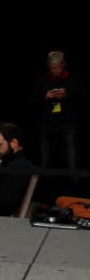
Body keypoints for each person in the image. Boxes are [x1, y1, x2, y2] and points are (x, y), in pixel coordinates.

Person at [31, 50, 87, 197]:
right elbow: (33, 102)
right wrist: (45, 96)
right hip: (47, 125)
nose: (55, 70)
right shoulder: (42, 79)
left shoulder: (74, 79)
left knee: (72, 160)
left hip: (69, 125)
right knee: (47, 161)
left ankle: (74, 195)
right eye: (52, 68)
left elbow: (84, 102)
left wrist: (67, 95)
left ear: (63, 65)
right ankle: (50, 196)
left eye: (58, 67)